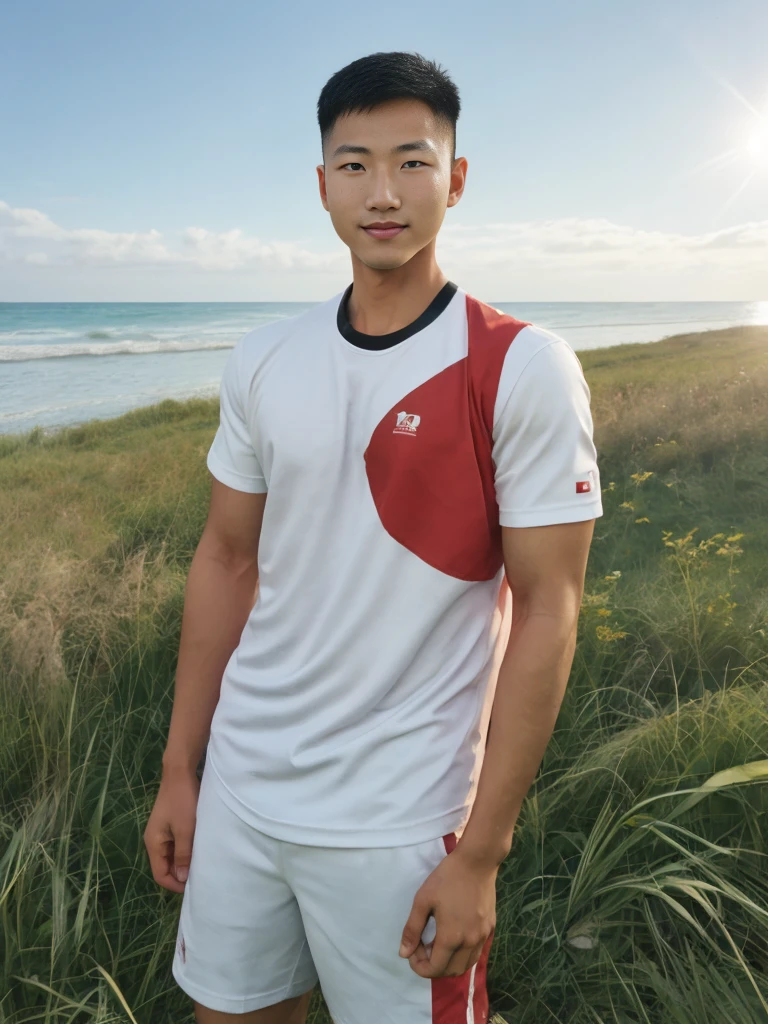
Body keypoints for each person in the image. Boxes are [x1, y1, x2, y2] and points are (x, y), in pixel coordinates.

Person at [143, 49, 603, 1024]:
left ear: (457, 178)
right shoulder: (265, 357)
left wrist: (481, 849)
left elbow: (550, 607)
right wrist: (184, 767)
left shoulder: (520, 365)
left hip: (402, 818)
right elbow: (226, 559)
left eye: (413, 161)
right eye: (354, 165)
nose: (382, 191)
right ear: (321, 186)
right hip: (243, 789)